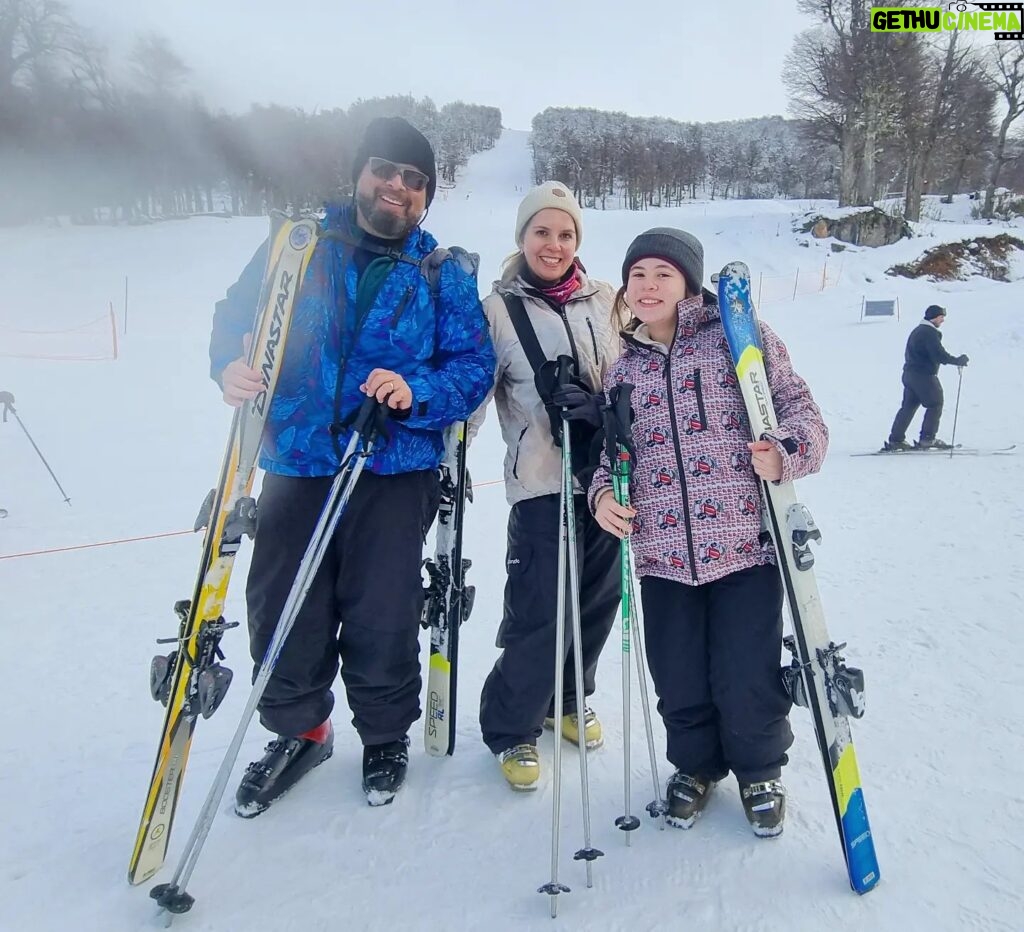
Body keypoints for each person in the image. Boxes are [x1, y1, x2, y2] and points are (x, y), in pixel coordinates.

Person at [209, 117, 495, 812]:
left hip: (394, 468)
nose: (397, 187)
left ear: (427, 195)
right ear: (360, 174)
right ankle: (301, 729)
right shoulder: (296, 246)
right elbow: (236, 315)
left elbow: (472, 367)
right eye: (385, 171)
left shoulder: (441, 271)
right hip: (299, 457)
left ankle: (385, 733)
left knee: (383, 609)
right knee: (284, 603)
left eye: (414, 180)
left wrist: (416, 390)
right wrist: (229, 366)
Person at [589, 228, 829, 837]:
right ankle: (695, 767)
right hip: (662, 554)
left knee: (746, 668)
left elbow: (802, 411)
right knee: (677, 672)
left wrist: (787, 451)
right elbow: (610, 456)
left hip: (745, 546)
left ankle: (758, 771)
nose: (647, 286)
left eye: (663, 274)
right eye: (637, 274)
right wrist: (599, 498)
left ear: (689, 284)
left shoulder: (736, 341)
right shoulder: (623, 371)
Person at [471, 181, 624, 790]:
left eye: (565, 234)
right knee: (540, 607)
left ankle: (567, 697)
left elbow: (632, 371)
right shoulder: (498, 309)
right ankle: (512, 726)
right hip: (540, 482)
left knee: (596, 597)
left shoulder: (606, 299)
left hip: (607, 478)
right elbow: (476, 392)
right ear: (523, 237)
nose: (554, 245)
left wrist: (601, 406)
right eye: (542, 232)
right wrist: (449, 450)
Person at [884, 304, 969, 451]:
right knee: (935, 403)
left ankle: (896, 439)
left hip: (910, 374)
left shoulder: (918, 331)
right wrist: (957, 360)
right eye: (941, 317)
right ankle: (928, 439)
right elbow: (938, 355)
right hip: (923, 376)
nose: (942, 321)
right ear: (934, 317)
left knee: (908, 407)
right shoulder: (929, 333)